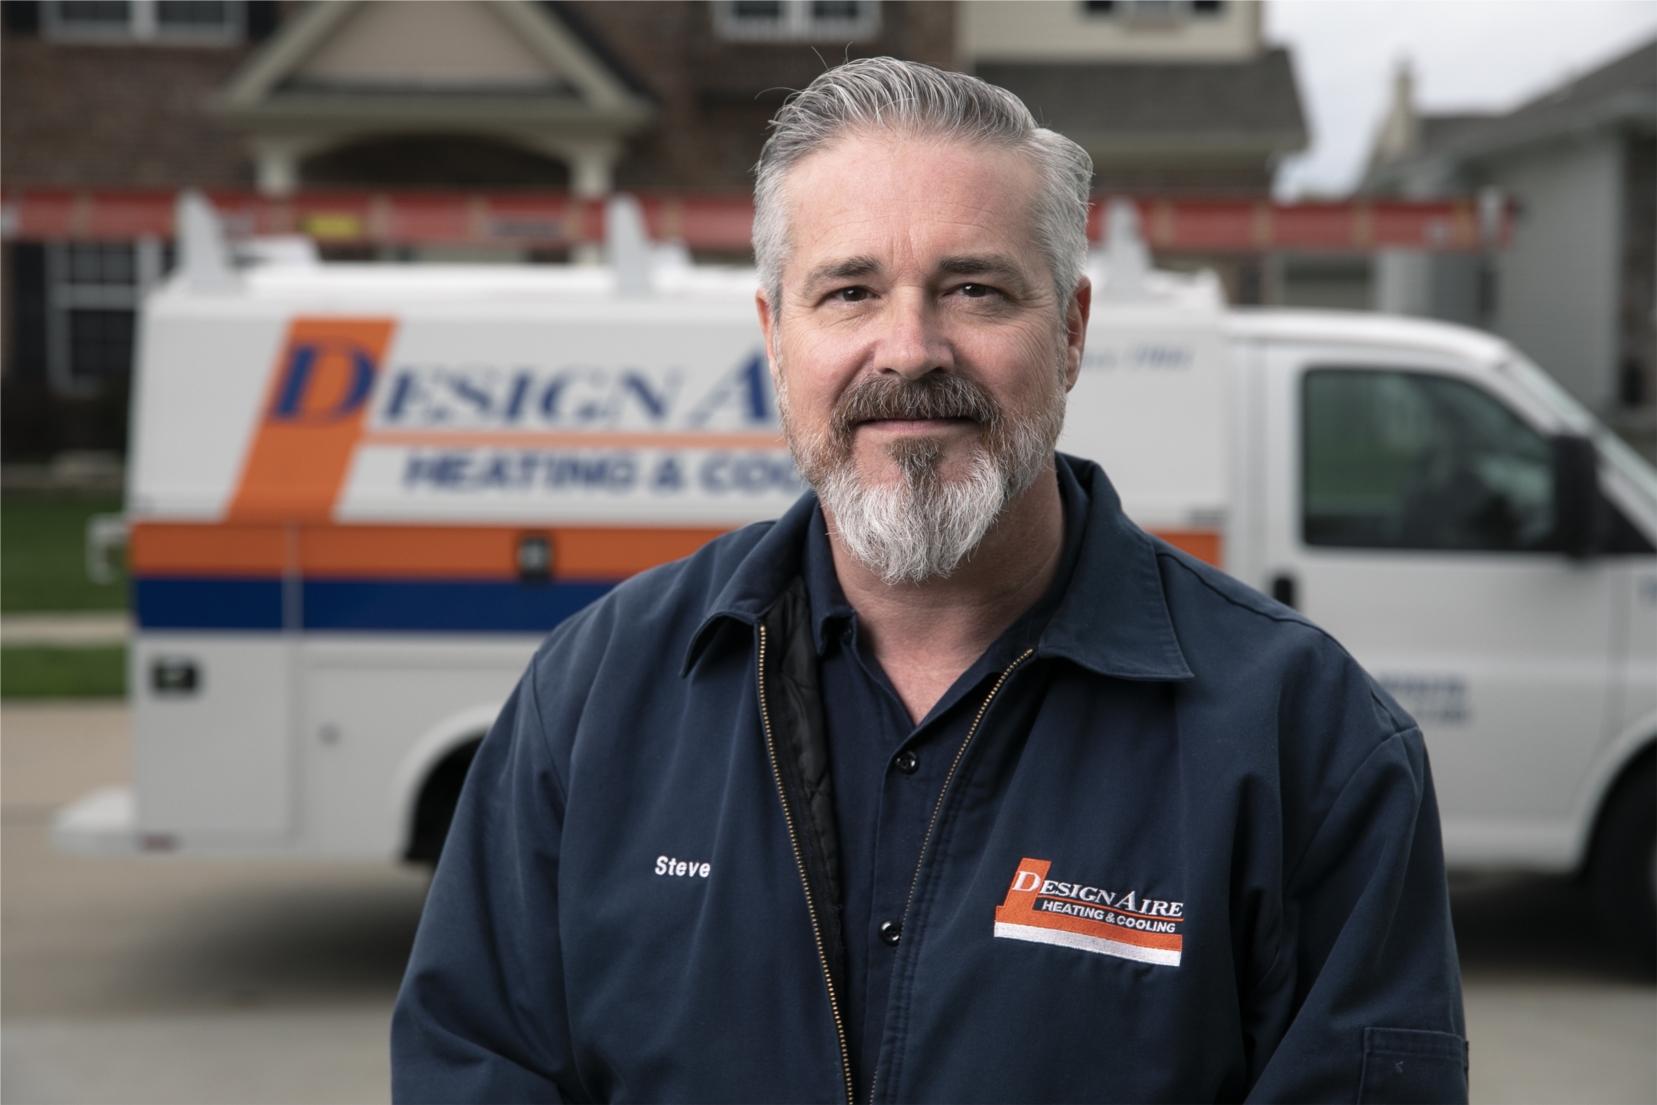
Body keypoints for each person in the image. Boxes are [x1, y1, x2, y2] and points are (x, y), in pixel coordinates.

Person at [391, 58, 1468, 1103]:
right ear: (775, 339)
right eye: (849, 291)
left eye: (974, 289)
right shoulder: (592, 699)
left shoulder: (1306, 738)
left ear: (1071, 332)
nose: (909, 350)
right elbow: (475, 1061)